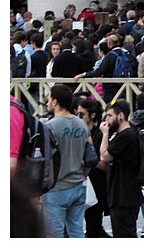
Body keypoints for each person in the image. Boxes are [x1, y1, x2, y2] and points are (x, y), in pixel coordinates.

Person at [41, 84, 93, 238]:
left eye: (49, 99)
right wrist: (85, 175)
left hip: (56, 187)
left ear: (55, 102)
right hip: (78, 184)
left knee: (54, 235)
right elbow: (90, 156)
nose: (47, 102)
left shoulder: (50, 126)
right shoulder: (82, 124)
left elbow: (44, 158)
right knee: (76, 231)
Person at [99, 98, 143, 237]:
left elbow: (104, 157)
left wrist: (105, 134)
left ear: (121, 116)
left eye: (110, 115)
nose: (107, 120)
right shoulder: (124, 135)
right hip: (123, 195)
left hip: (123, 196)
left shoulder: (126, 136)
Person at [73, 96, 111, 238]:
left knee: (93, 227)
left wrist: (86, 161)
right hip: (78, 184)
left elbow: (104, 164)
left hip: (96, 186)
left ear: (92, 115)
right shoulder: (76, 132)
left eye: (81, 114)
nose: (78, 117)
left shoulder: (100, 134)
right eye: (77, 113)